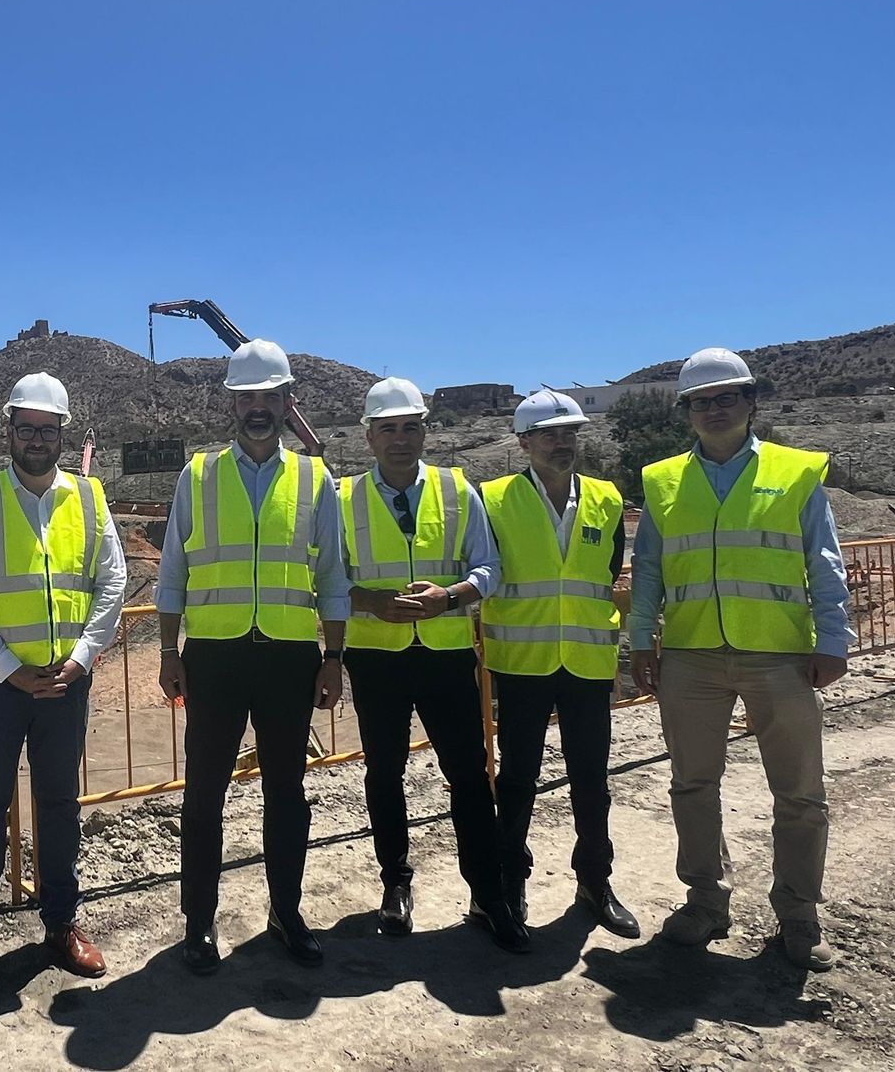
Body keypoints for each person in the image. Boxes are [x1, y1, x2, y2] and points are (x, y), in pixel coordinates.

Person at [630, 347, 852, 971]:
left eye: (727, 397)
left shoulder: (796, 472)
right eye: (702, 401)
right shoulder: (663, 480)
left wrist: (833, 639)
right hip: (691, 655)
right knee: (693, 785)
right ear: (687, 413)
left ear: (751, 403)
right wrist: (641, 639)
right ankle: (705, 900)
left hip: (778, 653)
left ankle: (799, 916)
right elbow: (648, 567)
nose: (715, 409)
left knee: (800, 792)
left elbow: (824, 561)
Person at [156, 339, 348, 975]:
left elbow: (335, 578)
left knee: (287, 794)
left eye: (271, 396)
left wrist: (333, 656)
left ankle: (286, 912)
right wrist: (167, 649)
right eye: (249, 398)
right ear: (232, 405)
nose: (259, 408)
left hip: (290, 658)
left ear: (289, 402)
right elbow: (174, 569)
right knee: (204, 794)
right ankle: (199, 921)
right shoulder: (199, 474)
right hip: (213, 655)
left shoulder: (314, 478)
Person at [0, 371, 127, 996]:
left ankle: (60, 924)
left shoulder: (91, 500)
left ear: (62, 434)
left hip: (64, 683)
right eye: (27, 428)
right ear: (11, 429)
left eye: (47, 430)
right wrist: (8, 667)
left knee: (58, 806)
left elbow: (112, 584)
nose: (37, 440)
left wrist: (82, 657)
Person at [340, 377, 529, 953]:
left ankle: (489, 895)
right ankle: (395, 884)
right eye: (389, 430)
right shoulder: (342, 498)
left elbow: (489, 568)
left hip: (446, 655)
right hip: (376, 657)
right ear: (369, 437)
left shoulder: (457, 489)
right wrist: (371, 601)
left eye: (411, 427)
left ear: (426, 430)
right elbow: (323, 577)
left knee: (470, 776)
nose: (401, 439)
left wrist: (448, 597)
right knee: (384, 775)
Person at [480, 389, 638, 938]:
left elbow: (608, 572)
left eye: (569, 432)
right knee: (518, 778)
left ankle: (596, 881)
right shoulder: (494, 500)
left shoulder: (606, 498)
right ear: (524, 442)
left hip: (589, 663)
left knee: (592, 779)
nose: (561, 442)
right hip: (522, 661)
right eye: (548, 434)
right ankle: (509, 882)